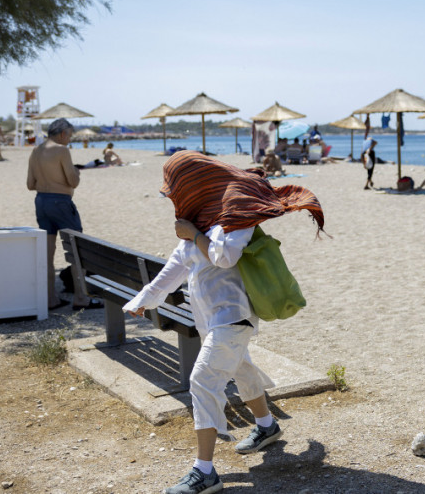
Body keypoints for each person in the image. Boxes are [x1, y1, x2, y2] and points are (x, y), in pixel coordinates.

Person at [123, 151, 325, 494]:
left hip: (234, 319)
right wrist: (142, 301)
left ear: (194, 187)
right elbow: (175, 268)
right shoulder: (199, 221)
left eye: (175, 190)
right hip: (213, 322)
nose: (172, 198)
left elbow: (224, 256)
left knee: (203, 380)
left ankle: (205, 472)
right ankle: (267, 425)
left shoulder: (235, 219)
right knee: (241, 369)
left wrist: (194, 234)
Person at [26, 118, 103, 311]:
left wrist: (49, 182)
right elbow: (72, 181)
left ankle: (51, 299)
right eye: (69, 135)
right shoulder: (61, 150)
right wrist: (75, 173)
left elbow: (30, 184)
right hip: (60, 202)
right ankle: (81, 298)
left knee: (47, 253)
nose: (69, 139)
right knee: (76, 249)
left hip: (41, 201)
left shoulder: (36, 151)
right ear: (62, 134)